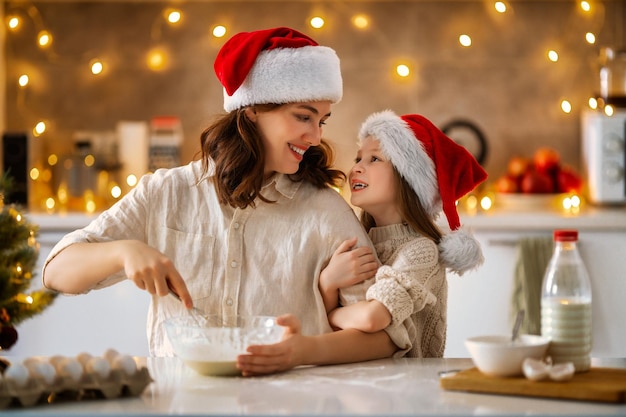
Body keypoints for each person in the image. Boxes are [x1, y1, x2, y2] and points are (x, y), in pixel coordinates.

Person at [42, 27, 402, 375]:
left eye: (321, 120)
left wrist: (301, 350)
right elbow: (56, 272)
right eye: (303, 116)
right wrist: (123, 252)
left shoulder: (326, 210)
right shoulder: (167, 192)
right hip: (179, 403)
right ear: (251, 111)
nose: (316, 135)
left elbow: (387, 337)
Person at [319, 110, 487, 357]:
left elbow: (372, 318)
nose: (357, 169)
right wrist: (328, 282)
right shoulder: (354, 237)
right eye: (358, 159)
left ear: (408, 178)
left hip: (409, 387)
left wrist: (331, 315)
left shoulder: (421, 251)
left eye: (374, 159)